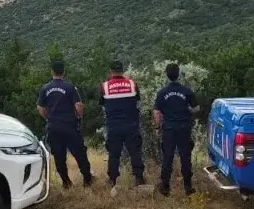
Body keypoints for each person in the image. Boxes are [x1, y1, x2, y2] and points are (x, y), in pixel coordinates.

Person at [37, 59, 94, 188]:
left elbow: (40, 108)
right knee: (80, 153)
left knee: (59, 156)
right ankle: (87, 180)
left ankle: (66, 182)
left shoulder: (45, 88)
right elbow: (79, 105)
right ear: (64, 72)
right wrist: (79, 116)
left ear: (52, 72)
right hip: (69, 126)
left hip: (53, 127)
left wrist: (48, 118)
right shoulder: (70, 87)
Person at [98, 60, 146, 189]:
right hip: (131, 124)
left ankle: (112, 179)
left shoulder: (105, 86)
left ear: (111, 71)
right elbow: (137, 100)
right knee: (135, 152)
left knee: (114, 153)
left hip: (114, 126)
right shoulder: (132, 84)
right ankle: (139, 177)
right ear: (122, 70)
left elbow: (102, 103)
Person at [153, 62, 198, 196]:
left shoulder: (162, 92)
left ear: (167, 75)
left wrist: (157, 127)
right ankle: (188, 187)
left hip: (169, 129)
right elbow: (196, 108)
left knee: (167, 157)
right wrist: (187, 111)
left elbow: (156, 113)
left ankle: (165, 187)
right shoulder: (187, 91)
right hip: (184, 128)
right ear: (178, 75)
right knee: (185, 157)